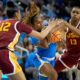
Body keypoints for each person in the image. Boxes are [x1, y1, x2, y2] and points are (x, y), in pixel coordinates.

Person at [0, 1, 61, 80]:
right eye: (19, 13)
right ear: (16, 14)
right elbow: (41, 36)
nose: (20, 15)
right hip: (5, 54)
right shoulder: (18, 24)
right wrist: (51, 26)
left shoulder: (1, 22)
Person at [22, 1, 66, 80]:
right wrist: (51, 30)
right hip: (41, 59)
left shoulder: (45, 24)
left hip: (52, 59)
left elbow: (61, 24)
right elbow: (45, 45)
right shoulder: (34, 34)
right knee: (54, 76)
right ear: (32, 25)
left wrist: (58, 29)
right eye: (38, 23)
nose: (40, 24)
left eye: (41, 22)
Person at [54, 6, 80, 74]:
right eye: (73, 12)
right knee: (53, 69)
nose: (75, 14)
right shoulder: (65, 25)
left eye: (77, 13)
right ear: (70, 13)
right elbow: (60, 38)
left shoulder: (67, 24)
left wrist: (67, 25)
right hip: (70, 54)